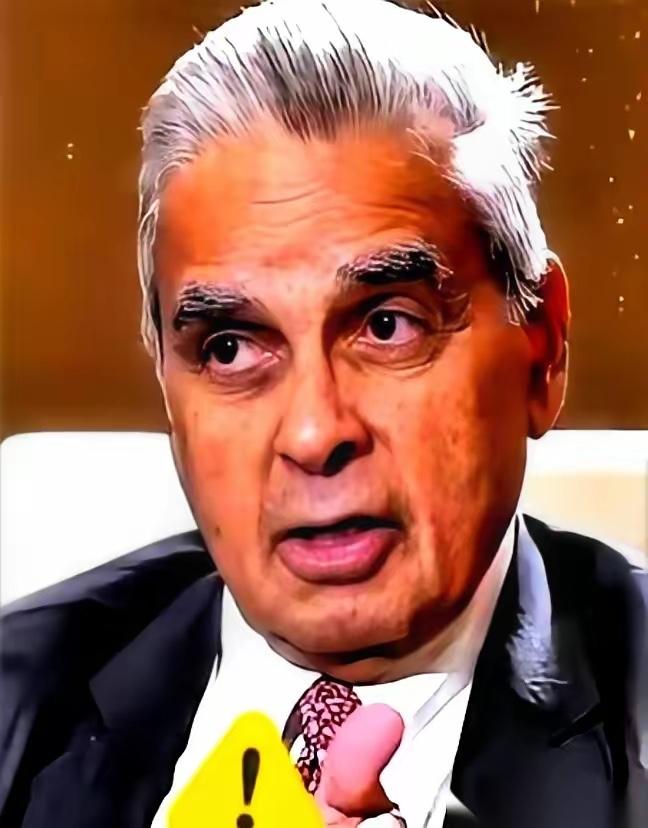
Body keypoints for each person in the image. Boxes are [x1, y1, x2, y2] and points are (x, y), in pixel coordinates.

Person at [1, 1, 647, 826]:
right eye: (230, 348)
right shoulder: (17, 701)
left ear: (544, 347)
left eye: (388, 326)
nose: (314, 434)